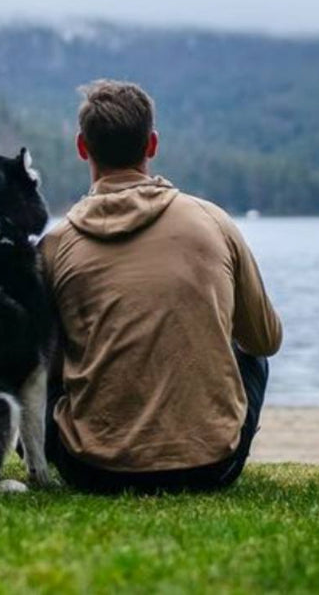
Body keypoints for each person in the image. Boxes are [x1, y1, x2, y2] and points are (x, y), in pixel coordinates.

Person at [39, 79, 283, 493]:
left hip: (92, 470)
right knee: (252, 354)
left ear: (83, 148)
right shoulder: (213, 221)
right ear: (151, 145)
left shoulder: (55, 246)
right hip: (211, 467)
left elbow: (47, 365)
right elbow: (265, 340)